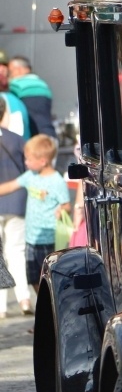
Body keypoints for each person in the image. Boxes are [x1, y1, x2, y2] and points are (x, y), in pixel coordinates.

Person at [0, 134, 70, 294]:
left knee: (50, 277)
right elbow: (11, 186)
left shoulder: (57, 181)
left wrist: (62, 210)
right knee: (33, 277)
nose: (25, 162)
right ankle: (43, 301)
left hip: (49, 239)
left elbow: (66, 205)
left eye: (28, 159)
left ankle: (52, 305)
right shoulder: (30, 176)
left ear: (43, 161)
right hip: (31, 238)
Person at [0, 96, 31, 315]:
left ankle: (0, 307)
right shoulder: (17, 140)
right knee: (16, 252)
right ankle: (24, 299)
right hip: (17, 201)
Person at [8, 55, 56, 139]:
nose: (10, 75)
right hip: (48, 134)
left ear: (20, 70)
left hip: (31, 139)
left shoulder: (15, 84)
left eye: (11, 71)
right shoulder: (42, 84)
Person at [0, 52, 31, 138]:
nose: (2, 69)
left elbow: (17, 133)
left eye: (4, 66)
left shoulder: (8, 100)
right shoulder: (15, 100)